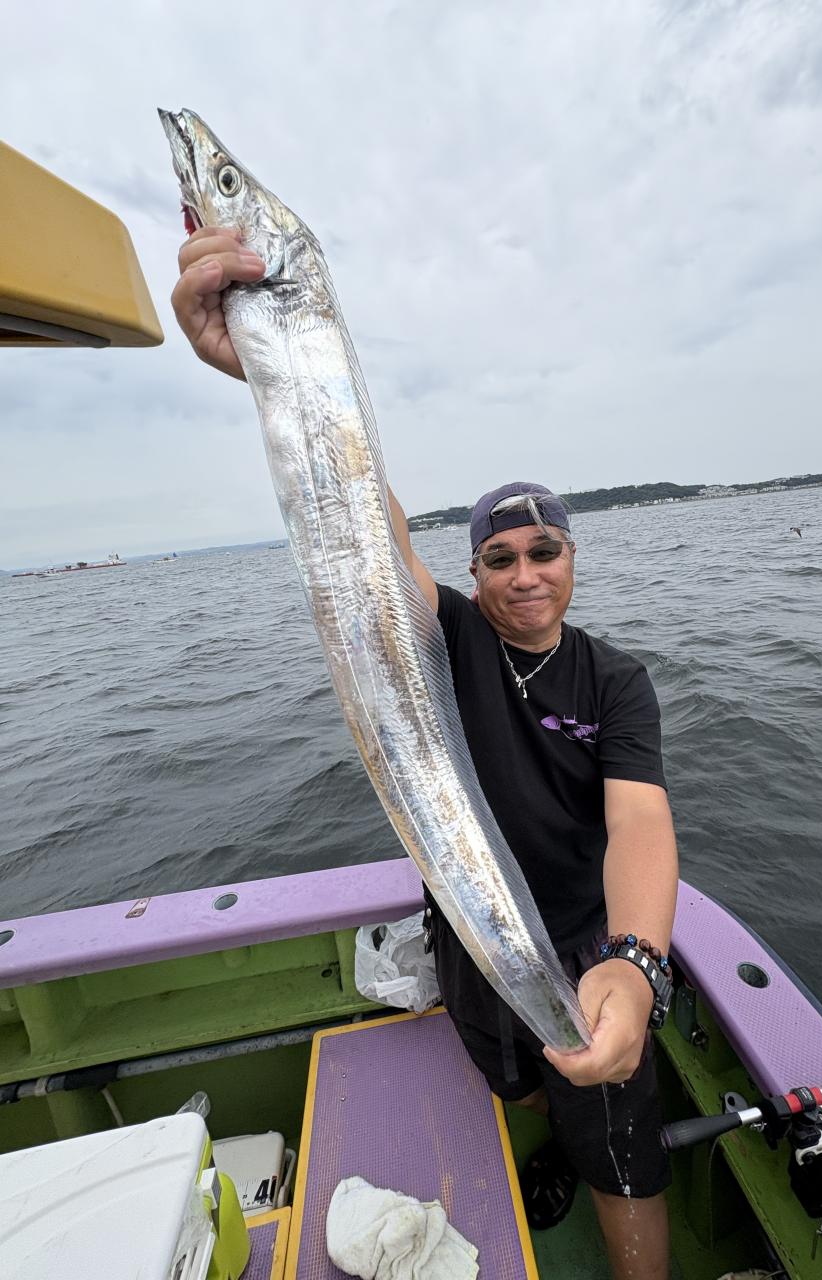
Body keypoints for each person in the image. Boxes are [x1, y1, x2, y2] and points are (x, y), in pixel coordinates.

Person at [171, 228, 679, 1280]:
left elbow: (639, 820)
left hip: (586, 942)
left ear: (571, 556)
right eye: (500, 556)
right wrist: (265, 369)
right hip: (465, 934)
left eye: (544, 551)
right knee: (518, 1077)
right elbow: (367, 523)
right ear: (473, 570)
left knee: (623, 1152)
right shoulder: (443, 631)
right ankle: (548, 1136)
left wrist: (635, 963)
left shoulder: (615, 680)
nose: (525, 574)